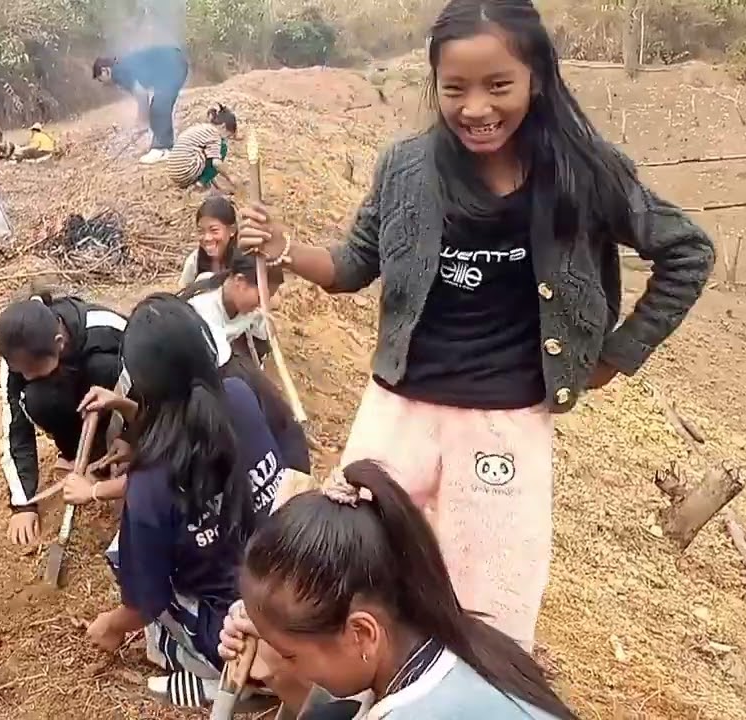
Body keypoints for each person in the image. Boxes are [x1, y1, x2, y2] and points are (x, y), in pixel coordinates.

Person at [236, 0, 715, 651]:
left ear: (536, 79)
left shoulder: (583, 172)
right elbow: (353, 265)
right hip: (397, 413)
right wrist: (285, 249)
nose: (476, 109)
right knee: (347, 582)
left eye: (498, 86)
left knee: (486, 612)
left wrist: (615, 355)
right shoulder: (405, 169)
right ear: (434, 84)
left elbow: (687, 251)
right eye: (455, 88)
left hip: (504, 427)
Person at [218, 461, 575, 719]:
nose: (282, 661)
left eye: (290, 655)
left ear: (361, 632)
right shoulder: (447, 644)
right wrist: (266, 632)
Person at [77, 294, 284, 709]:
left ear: (144, 381)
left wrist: (111, 627)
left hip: (241, 629)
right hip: (296, 590)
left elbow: (146, 602)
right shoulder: (240, 396)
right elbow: (186, 425)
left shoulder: (150, 484)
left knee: (124, 556)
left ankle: (211, 674)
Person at [0, 292, 126, 546]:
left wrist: (130, 441)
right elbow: (15, 427)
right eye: (22, 372)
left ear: (59, 342)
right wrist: (23, 504)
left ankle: (106, 457)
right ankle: (75, 453)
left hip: (117, 399)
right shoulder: (15, 356)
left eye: (33, 371)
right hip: (73, 398)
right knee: (37, 398)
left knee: (103, 368)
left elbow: (146, 386)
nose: (26, 377)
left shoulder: (105, 330)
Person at [179, 249, 282, 368]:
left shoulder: (247, 305)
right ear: (240, 281)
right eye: (261, 298)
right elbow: (221, 366)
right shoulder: (203, 309)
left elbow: (263, 338)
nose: (262, 305)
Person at [92, 46, 190, 164]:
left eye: (100, 79)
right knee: (158, 105)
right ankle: (164, 147)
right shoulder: (122, 66)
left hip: (172, 65)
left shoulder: (118, 71)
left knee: (159, 106)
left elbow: (141, 94)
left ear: (104, 70)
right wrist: (143, 121)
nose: (102, 83)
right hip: (174, 63)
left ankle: (162, 149)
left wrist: (142, 122)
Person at [165, 104, 238, 191]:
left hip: (174, 172)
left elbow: (208, 164)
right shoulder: (214, 134)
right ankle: (200, 183)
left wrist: (218, 187)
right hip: (187, 170)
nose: (225, 139)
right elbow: (215, 163)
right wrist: (229, 177)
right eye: (227, 136)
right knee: (222, 149)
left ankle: (199, 182)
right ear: (223, 126)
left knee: (210, 153)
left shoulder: (200, 128)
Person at [178, 196, 239, 288]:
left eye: (214, 230)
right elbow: (182, 295)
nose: (207, 238)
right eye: (201, 231)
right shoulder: (194, 261)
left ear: (232, 230)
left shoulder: (245, 261)